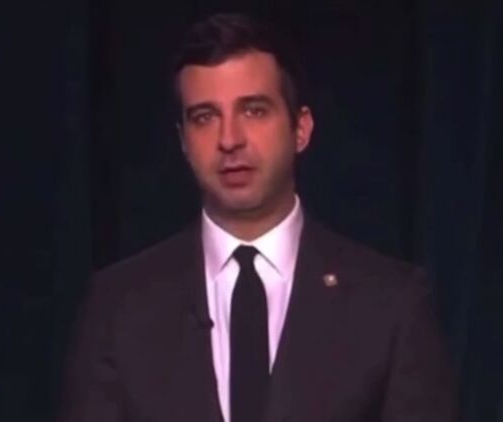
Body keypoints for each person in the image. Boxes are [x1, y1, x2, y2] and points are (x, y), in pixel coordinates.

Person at [57, 13, 456, 422]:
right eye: (205, 117)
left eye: (254, 111)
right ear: (183, 141)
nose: (229, 139)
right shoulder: (118, 307)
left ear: (301, 129)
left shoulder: (392, 305)